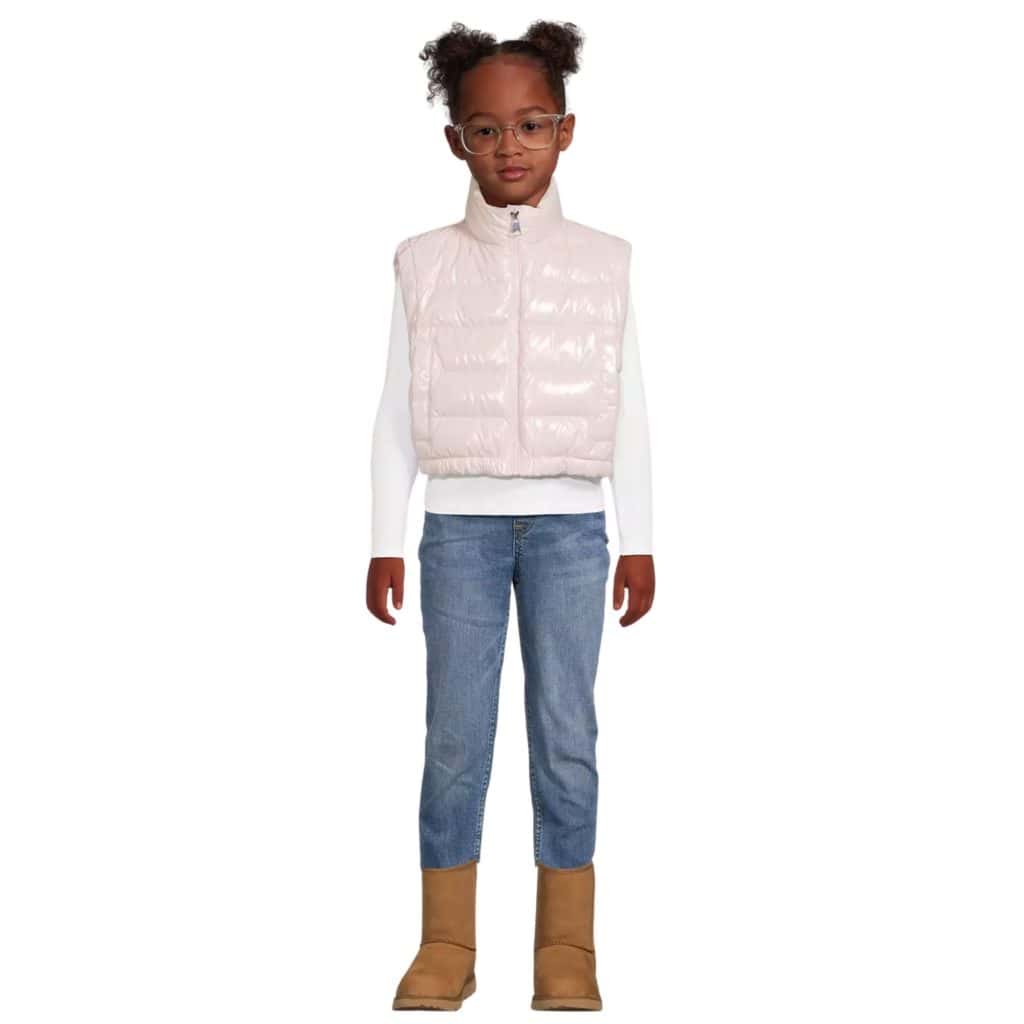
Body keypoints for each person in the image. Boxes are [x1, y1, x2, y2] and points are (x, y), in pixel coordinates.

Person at [367, 20, 656, 1012]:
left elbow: (627, 405)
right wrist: (385, 538)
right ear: (457, 141)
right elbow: (395, 407)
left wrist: (639, 537)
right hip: (459, 531)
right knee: (455, 738)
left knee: (566, 734)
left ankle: (565, 947)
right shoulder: (422, 262)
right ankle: (445, 942)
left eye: (531, 124)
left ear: (565, 130)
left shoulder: (606, 261)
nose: (510, 147)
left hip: (572, 532)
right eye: (485, 130)